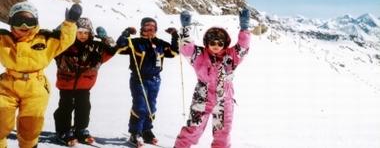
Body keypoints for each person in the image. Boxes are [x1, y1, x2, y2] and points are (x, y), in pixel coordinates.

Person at [0, 1, 81, 148]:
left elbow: (65, 39)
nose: (24, 26)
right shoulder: (3, 39)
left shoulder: (46, 39)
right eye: (19, 21)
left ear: (36, 22)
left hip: (36, 87)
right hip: (7, 86)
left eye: (29, 21)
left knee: (30, 127)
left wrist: (70, 22)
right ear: (11, 22)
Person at [174, 8, 251, 148]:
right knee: (193, 129)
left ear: (225, 43)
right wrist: (185, 29)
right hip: (202, 98)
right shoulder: (199, 54)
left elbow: (243, 48)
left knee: (223, 133)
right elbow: (186, 48)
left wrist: (244, 28)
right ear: (207, 42)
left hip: (224, 100)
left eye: (220, 43)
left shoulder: (231, 55)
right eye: (213, 42)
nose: (216, 46)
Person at [53, 17, 117, 146]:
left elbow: (112, 49)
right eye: (79, 32)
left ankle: (80, 129)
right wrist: (65, 26)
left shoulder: (96, 48)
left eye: (86, 33)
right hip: (66, 85)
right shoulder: (64, 45)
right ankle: (63, 131)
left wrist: (105, 38)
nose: (82, 35)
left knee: (84, 107)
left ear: (91, 34)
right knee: (65, 108)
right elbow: (53, 39)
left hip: (85, 85)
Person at [116, 17, 179, 147]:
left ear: (156, 29)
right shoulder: (135, 43)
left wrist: (174, 35)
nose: (149, 30)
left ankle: (146, 130)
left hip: (155, 80)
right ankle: (135, 132)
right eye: (146, 27)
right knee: (140, 106)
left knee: (151, 106)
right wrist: (126, 34)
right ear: (142, 29)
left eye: (152, 28)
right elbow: (120, 48)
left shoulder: (161, 44)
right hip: (139, 79)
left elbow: (174, 52)